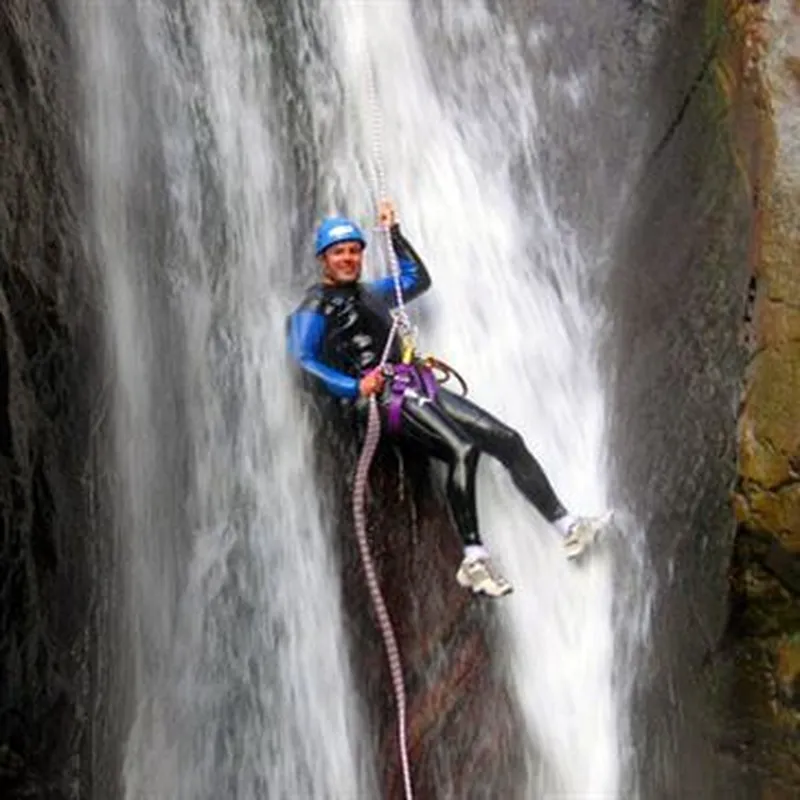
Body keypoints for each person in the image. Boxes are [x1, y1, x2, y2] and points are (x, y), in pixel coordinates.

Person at [286, 200, 608, 598]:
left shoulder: (373, 292)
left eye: (354, 250)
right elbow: (302, 360)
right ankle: (474, 560)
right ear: (324, 258)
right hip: (382, 398)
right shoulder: (315, 304)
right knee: (464, 448)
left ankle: (568, 526)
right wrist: (355, 387)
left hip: (415, 384)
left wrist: (394, 234)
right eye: (339, 252)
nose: (348, 258)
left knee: (506, 438)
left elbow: (416, 278)